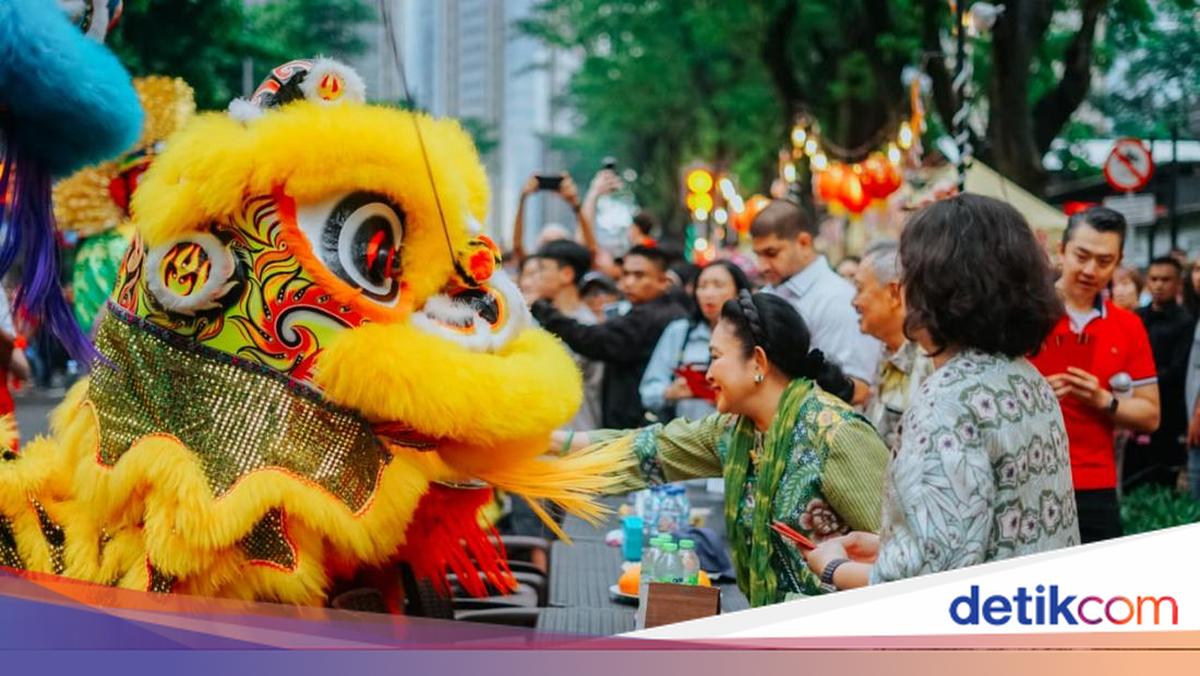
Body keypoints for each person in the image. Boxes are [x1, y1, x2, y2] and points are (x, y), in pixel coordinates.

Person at [803, 194, 1080, 590]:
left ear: (935, 287)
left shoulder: (949, 400)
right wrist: (890, 545)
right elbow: (976, 532)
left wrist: (832, 568)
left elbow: (928, 579)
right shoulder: (1024, 377)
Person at [556, 291, 887, 606]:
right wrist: (552, 443)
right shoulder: (736, 431)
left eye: (715, 357)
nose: (708, 374)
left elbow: (899, 556)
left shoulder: (838, 434)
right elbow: (651, 449)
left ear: (757, 362)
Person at [1029, 206, 1159, 544]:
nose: (1090, 270)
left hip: (1095, 483)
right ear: (1062, 250)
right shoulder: (1026, 314)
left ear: (1118, 263)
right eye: (1081, 256)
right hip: (1028, 478)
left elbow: (1150, 416)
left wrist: (1103, 400)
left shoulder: (1128, 326)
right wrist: (1033, 394)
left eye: (1104, 261)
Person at [532, 245, 688, 428]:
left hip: (641, 426)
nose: (628, 282)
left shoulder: (657, 315)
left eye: (639, 275)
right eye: (625, 274)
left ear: (663, 281)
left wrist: (544, 312)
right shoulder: (645, 310)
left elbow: (596, 340)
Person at [750, 200, 880, 405]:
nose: (762, 266)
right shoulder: (765, 295)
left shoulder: (838, 299)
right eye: (758, 255)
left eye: (771, 253)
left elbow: (858, 389)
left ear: (803, 243)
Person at [640, 260, 752, 422]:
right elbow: (648, 391)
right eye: (702, 286)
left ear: (739, 292)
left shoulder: (750, 334)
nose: (708, 293)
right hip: (683, 431)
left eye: (718, 285)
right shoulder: (679, 331)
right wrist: (670, 392)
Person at [851, 240, 934, 451]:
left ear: (894, 294)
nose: (854, 302)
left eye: (859, 289)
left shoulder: (928, 365)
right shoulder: (887, 353)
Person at [1126, 257, 1193, 490]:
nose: (1158, 285)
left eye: (1165, 280)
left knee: (1162, 477)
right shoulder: (1136, 317)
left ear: (1178, 284)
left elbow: (1178, 370)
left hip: (1169, 411)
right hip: (1131, 407)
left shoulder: (1186, 322)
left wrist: (1140, 382)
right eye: (1154, 279)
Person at [527, 240, 604, 432]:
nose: (534, 277)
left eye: (542, 269)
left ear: (567, 274)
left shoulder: (588, 328)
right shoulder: (535, 319)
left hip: (577, 432)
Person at [510, 172, 599, 268]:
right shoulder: (535, 267)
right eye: (546, 243)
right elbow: (517, 247)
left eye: (557, 243)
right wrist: (523, 198)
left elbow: (591, 250)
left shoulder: (573, 268)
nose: (552, 249)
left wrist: (575, 204)